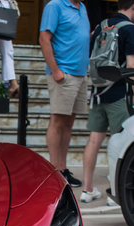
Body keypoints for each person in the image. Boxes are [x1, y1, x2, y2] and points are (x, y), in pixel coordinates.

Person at [80, 0, 134, 203]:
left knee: (94, 139)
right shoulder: (129, 29)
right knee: (120, 142)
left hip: (97, 93)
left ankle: (87, 189)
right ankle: (115, 191)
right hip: (120, 93)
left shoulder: (102, 26)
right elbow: (131, 66)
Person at [39, 0, 90, 187]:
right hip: (64, 73)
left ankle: (62, 168)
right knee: (58, 121)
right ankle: (55, 172)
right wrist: (55, 70)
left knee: (68, 123)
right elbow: (44, 38)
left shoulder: (82, 7)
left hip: (80, 73)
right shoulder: (55, 6)